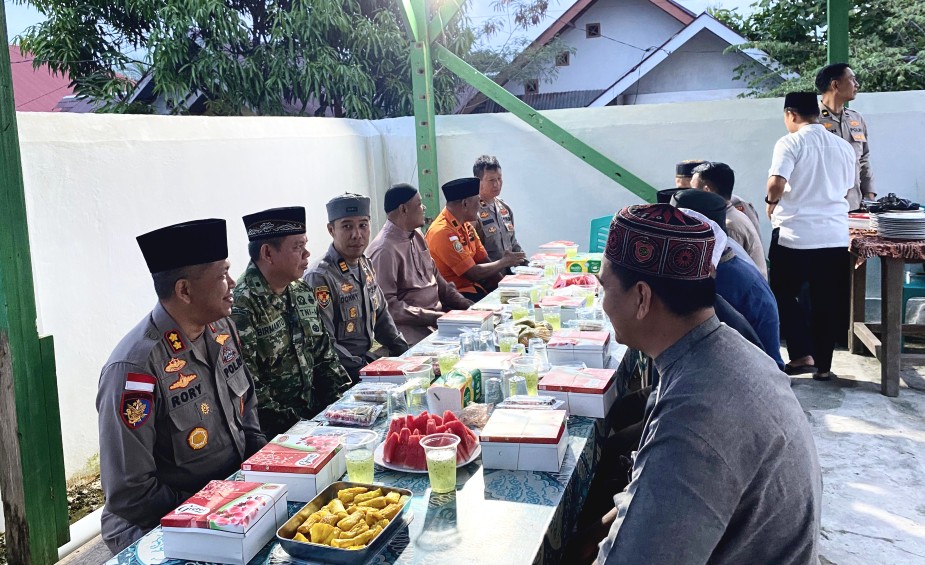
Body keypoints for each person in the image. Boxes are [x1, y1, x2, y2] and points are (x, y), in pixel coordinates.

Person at [592, 204, 822, 564]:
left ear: (641, 298)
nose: (602, 303)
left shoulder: (696, 414)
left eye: (604, 287)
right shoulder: (722, 352)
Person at [97, 219, 267, 554]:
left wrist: (259, 478)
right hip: (157, 523)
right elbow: (131, 494)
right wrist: (213, 512)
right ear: (185, 291)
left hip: (229, 503)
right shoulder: (135, 368)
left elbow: (247, 411)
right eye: (222, 274)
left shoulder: (221, 328)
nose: (233, 283)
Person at [231, 206, 351, 436]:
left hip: (317, 419)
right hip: (276, 433)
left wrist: (343, 408)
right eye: (297, 247)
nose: (307, 254)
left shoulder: (300, 290)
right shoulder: (242, 305)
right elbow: (250, 389)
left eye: (305, 245)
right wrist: (306, 428)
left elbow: (325, 356)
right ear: (267, 253)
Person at [767, 92, 855, 380]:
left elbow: (776, 182)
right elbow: (847, 188)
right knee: (826, 301)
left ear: (791, 114)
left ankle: (802, 354)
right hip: (834, 236)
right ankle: (824, 367)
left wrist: (771, 202)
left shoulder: (790, 142)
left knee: (781, 294)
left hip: (795, 235)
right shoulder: (843, 146)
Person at [304, 193, 409, 379]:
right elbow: (326, 343)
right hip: (340, 375)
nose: (357, 235)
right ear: (331, 230)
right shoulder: (320, 276)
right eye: (347, 226)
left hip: (365, 365)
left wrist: (406, 354)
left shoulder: (365, 263)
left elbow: (382, 316)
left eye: (363, 225)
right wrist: (364, 371)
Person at [367, 183, 473, 345]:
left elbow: (437, 278)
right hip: (409, 329)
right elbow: (388, 307)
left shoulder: (416, 235)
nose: (424, 208)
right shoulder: (384, 250)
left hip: (435, 320)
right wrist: (436, 317)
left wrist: (467, 306)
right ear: (403, 209)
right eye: (419, 204)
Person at [425, 177, 526, 300]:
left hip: (474, 289)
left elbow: (483, 259)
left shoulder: (466, 225)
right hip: (455, 296)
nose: (480, 207)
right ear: (465, 204)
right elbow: (473, 273)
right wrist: (504, 262)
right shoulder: (442, 232)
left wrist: (506, 290)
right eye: (478, 201)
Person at [691, 161, 767, 278]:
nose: (689, 194)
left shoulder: (728, 226)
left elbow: (729, 273)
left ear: (707, 191)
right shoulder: (734, 214)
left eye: (693, 190)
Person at [817, 63, 876, 210]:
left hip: (854, 204)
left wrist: (869, 193)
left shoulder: (856, 118)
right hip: (824, 205)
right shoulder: (812, 120)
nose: (857, 84)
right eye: (852, 79)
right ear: (835, 85)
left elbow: (863, 159)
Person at [471, 155, 526, 266]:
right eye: (491, 180)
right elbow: (473, 254)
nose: (497, 184)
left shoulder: (504, 208)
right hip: (489, 275)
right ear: (478, 182)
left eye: (499, 179)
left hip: (511, 274)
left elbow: (513, 243)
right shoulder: (472, 213)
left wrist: (528, 264)